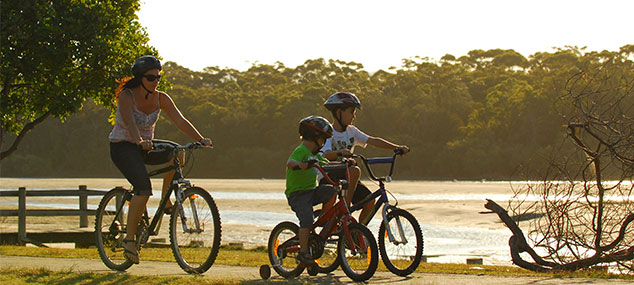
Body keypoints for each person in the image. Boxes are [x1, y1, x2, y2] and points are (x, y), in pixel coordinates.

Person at [108, 55, 212, 264]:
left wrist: (200, 139)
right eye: (151, 78)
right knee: (143, 189)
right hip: (123, 146)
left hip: (145, 146)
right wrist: (138, 140)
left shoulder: (161, 97)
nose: (156, 81)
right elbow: (128, 121)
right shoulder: (127, 96)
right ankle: (129, 240)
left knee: (177, 152)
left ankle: (167, 200)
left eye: (158, 77)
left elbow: (180, 120)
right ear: (140, 77)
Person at [321, 91, 410, 224]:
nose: (353, 116)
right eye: (351, 112)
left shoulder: (352, 131)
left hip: (348, 177)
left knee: (370, 201)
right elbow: (326, 154)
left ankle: (358, 234)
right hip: (329, 174)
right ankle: (344, 211)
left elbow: (373, 140)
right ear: (339, 112)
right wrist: (341, 153)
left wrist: (396, 147)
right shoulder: (329, 132)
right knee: (354, 171)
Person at [285, 116, 337, 266]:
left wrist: (343, 162)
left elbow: (326, 163)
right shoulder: (301, 150)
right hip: (298, 194)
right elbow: (290, 163)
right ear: (314, 137)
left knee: (331, 191)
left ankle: (324, 219)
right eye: (322, 140)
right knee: (306, 220)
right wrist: (302, 165)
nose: (323, 143)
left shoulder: (315, 155)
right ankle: (303, 252)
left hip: (311, 191)